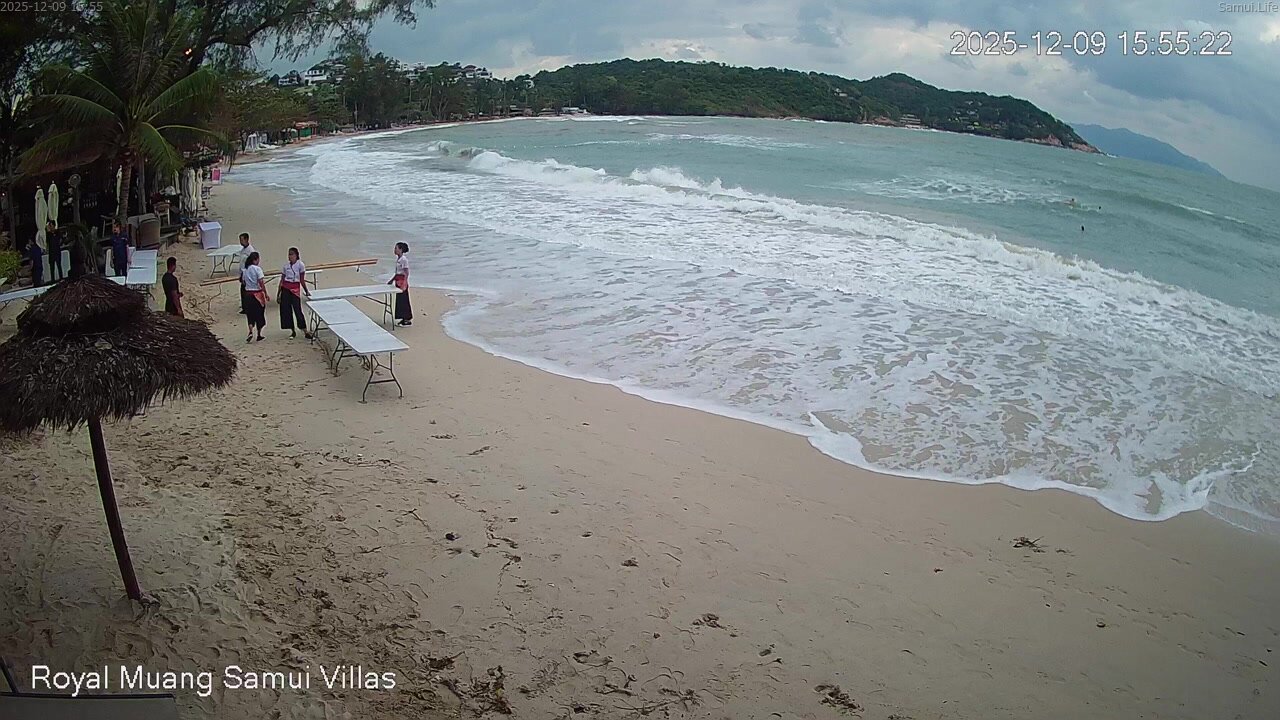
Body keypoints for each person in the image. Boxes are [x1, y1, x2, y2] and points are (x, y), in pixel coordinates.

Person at [278, 246, 312, 338]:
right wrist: (279, 293)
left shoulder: (300, 265)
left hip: (295, 289)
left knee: (297, 310)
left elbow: (302, 280)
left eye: (292, 254)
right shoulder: (286, 266)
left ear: (296, 255)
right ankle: (292, 330)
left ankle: (305, 330)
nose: (290, 256)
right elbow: (282, 280)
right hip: (286, 289)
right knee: (286, 310)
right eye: (289, 254)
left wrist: (306, 291)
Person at [241, 251, 268, 341]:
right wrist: (265, 293)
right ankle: (259, 334)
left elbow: (243, 282)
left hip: (248, 295)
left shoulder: (245, 270)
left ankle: (250, 331)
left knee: (250, 314)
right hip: (257, 294)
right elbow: (261, 282)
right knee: (259, 314)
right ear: (256, 260)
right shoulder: (257, 269)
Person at [388, 241, 412, 327]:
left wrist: (404, 283)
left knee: (404, 300)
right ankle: (402, 318)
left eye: (396, 248)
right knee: (400, 300)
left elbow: (406, 272)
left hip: (402, 281)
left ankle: (407, 319)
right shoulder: (399, 259)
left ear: (401, 250)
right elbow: (397, 272)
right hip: (398, 281)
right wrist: (392, 280)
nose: (394, 250)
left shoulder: (404, 260)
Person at [236, 232, 255, 315]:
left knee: (247, 291)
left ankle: (248, 308)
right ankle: (244, 307)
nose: (240, 242)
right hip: (242, 273)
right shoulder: (242, 250)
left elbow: (252, 264)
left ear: (247, 239)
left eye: (242, 240)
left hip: (247, 274)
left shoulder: (250, 250)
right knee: (243, 291)